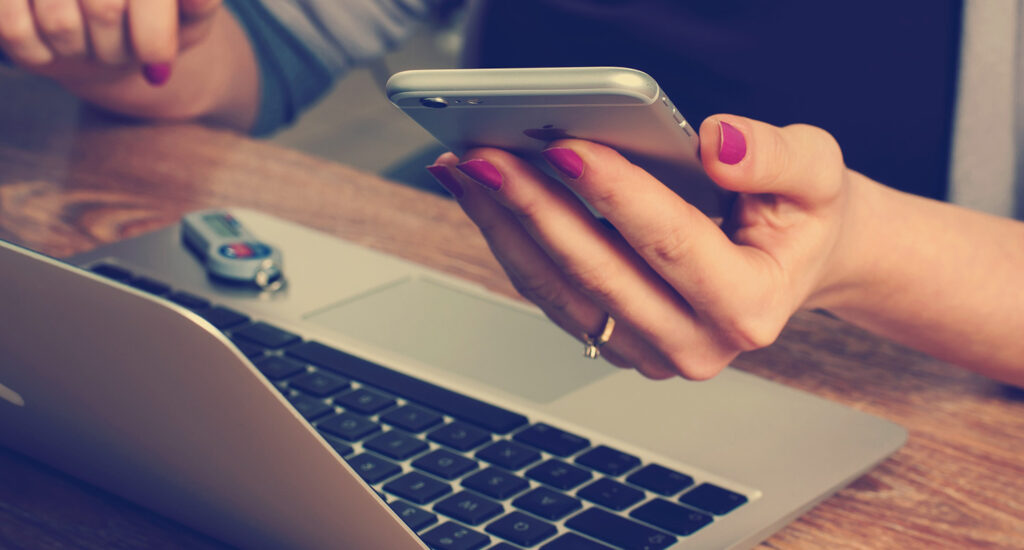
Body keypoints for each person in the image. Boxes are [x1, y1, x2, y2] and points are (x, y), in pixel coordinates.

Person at [1, 1, 1021, 386]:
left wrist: (854, 248)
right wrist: (125, 33)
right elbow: (257, 51)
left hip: (915, 403)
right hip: (486, 323)